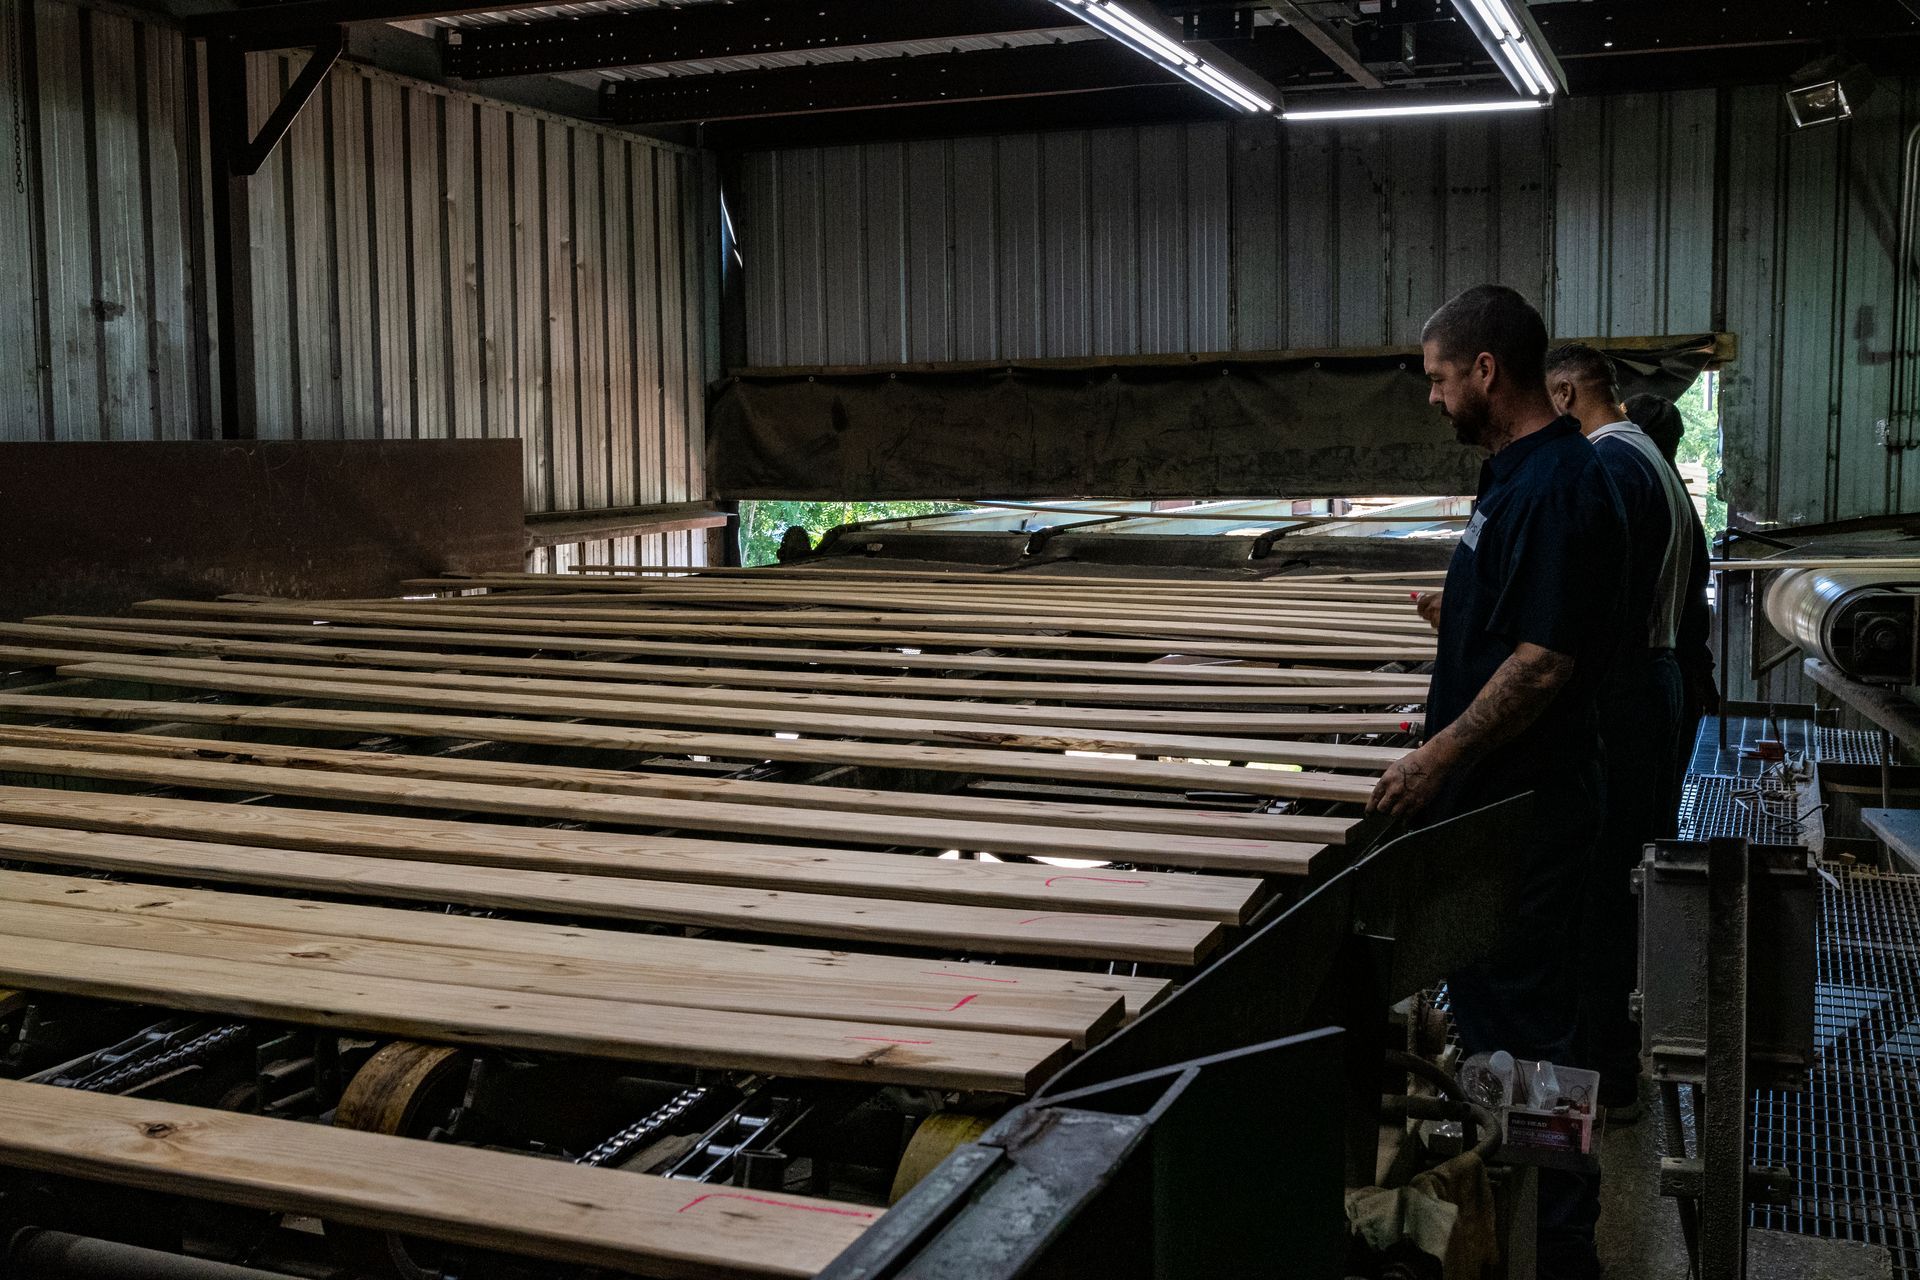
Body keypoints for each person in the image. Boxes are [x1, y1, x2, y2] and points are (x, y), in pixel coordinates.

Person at [1371, 285, 1627, 1280]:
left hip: (1531, 810)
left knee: (1535, 1028)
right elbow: (1523, 631)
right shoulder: (1515, 477)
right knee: (1499, 1017)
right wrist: (1464, 619)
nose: (1431, 396)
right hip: (1497, 809)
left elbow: (1547, 664)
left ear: (1486, 369)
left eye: (1438, 376)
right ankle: (1517, 1194)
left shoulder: (1561, 483)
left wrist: (1433, 758)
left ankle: (1560, 1236)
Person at [1544, 345, 1696, 1121]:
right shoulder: (1644, 457)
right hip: (1648, 681)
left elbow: (1592, 608)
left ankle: (1605, 1076)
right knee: (1619, 881)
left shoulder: (1611, 467)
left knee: (1601, 889)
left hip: (1627, 691)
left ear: (1566, 394)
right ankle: (1613, 1065)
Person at [1626, 391, 1721, 829]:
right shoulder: (1675, 500)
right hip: (1676, 668)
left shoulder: (1647, 497)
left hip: (1658, 668)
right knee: (1659, 798)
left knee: (1643, 806)